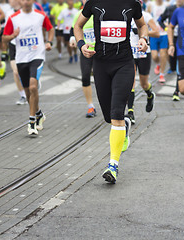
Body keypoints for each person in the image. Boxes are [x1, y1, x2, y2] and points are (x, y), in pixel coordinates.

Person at [74, 0, 149, 183]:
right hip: (100, 64)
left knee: (116, 113)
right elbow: (78, 25)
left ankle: (112, 165)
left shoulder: (132, 3)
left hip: (124, 64)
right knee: (109, 117)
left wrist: (143, 39)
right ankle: (123, 125)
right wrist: (81, 44)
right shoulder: (94, 3)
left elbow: (142, 25)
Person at [3, 0, 54, 136]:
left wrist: (49, 42)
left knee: (33, 87)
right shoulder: (13, 18)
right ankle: (39, 114)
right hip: (21, 58)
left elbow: (50, 28)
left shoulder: (40, 15)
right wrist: (12, 36)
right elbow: (4, 38)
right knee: (27, 93)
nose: (26, 1)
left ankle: (32, 122)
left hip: (37, 55)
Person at [126, 1, 160, 125]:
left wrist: (143, 33)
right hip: (130, 53)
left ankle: (150, 94)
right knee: (131, 82)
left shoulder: (146, 16)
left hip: (144, 53)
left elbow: (157, 32)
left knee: (144, 83)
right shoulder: (126, 14)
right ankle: (130, 112)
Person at [69, 0, 96, 117]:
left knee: (103, 78)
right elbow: (74, 28)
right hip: (86, 51)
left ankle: (110, 104)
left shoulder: (98, 12)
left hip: (100, 51)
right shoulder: (79, 14)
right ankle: (90, 106)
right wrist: (72, 38)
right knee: (85, 77)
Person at [158, 0, 184, 101]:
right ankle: (172, 68)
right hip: (171, 39)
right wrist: (166, 29)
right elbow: (160, 20)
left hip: (183, 39)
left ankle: (176, 91)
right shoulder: (170, 9)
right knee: (173, 63)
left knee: (180, 65)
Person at [147, 0, 168, 83]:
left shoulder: (167, 5)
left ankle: (161, 74)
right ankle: (158, 64)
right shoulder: (150, 5)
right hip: (154, 34)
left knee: (163, 54)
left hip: (164, 34)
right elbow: (146, 17)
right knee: (154, 56)